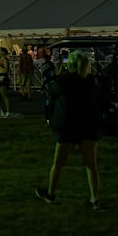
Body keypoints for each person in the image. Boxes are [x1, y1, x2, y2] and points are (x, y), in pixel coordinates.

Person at [35, 50, 101, 210]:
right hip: (87, 125)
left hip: (69, 126)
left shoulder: (65, 81)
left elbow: (51, 91)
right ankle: (94, 199)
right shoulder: (91, 81)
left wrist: (60, 72)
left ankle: (50, 193)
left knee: (58, 163)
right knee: (91, 165)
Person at [0, 47, 11, 118]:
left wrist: (0, 65)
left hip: (3, 77)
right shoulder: (0, 59)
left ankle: (7, 111)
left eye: (0, 51)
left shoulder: (5, 59)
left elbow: (6, 69)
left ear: (3, 52)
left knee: (3, 94)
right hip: (0, 76)